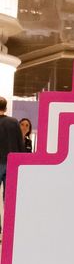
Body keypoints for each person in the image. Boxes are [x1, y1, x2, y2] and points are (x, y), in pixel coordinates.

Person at [0, 97, 25, 235]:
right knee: (9, 197)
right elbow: (20, 143)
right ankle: (9, 230)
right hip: (11, 163)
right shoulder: (14, 122)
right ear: (5, 107)